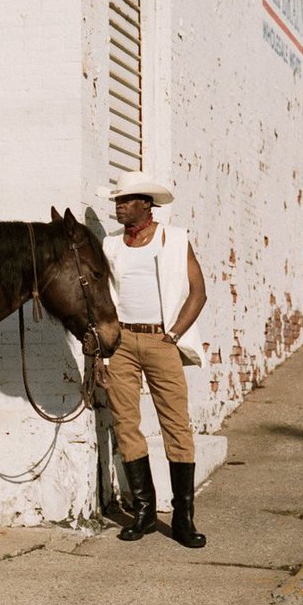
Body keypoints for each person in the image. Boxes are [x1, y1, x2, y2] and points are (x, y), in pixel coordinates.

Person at [98, 169, 208, 547]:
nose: (119, 206)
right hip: (122, 342)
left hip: (161, 339)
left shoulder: (174, 239)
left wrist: (174, 334)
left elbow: (198, 292)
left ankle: (183, 518)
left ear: (146, 204)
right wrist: (100, 352)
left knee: (177, 426)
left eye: (126, 201)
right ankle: (144, 512)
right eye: (117, 200)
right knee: (126, 423)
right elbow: (101, 301)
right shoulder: (110, 246)